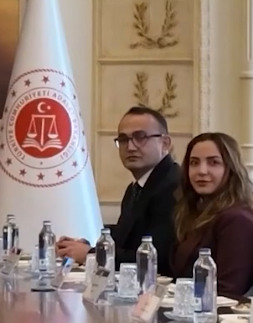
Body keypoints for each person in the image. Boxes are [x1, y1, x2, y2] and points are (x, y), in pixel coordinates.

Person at [56, 106, 180, 276]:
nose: (130, 147)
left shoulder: (173, 186)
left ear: (165, 143)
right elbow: (123, 238)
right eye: (123, 139)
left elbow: (154, 258)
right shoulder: (135, 188)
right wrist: (85, 243)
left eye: (140, 137)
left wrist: (91, 254)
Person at [169, 133, 253, 298]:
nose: (201, 171)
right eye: (194, 163)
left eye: (213, 162)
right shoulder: (196, 212)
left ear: (231, 168)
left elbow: (227, 293)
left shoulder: (238, 221)